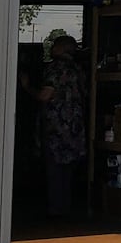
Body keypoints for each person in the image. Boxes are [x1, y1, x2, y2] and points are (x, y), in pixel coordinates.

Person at [37, 34, 87, 218]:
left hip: (56, 126)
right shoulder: (78, 70)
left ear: (62, 49)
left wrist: (26, 87)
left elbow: (45, 95)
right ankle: (67, 208)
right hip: (75, 125)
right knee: (69, 170)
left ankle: (56, 211)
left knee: (55, 170)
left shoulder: (55, 69)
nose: (51, 49)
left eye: (55, 46)